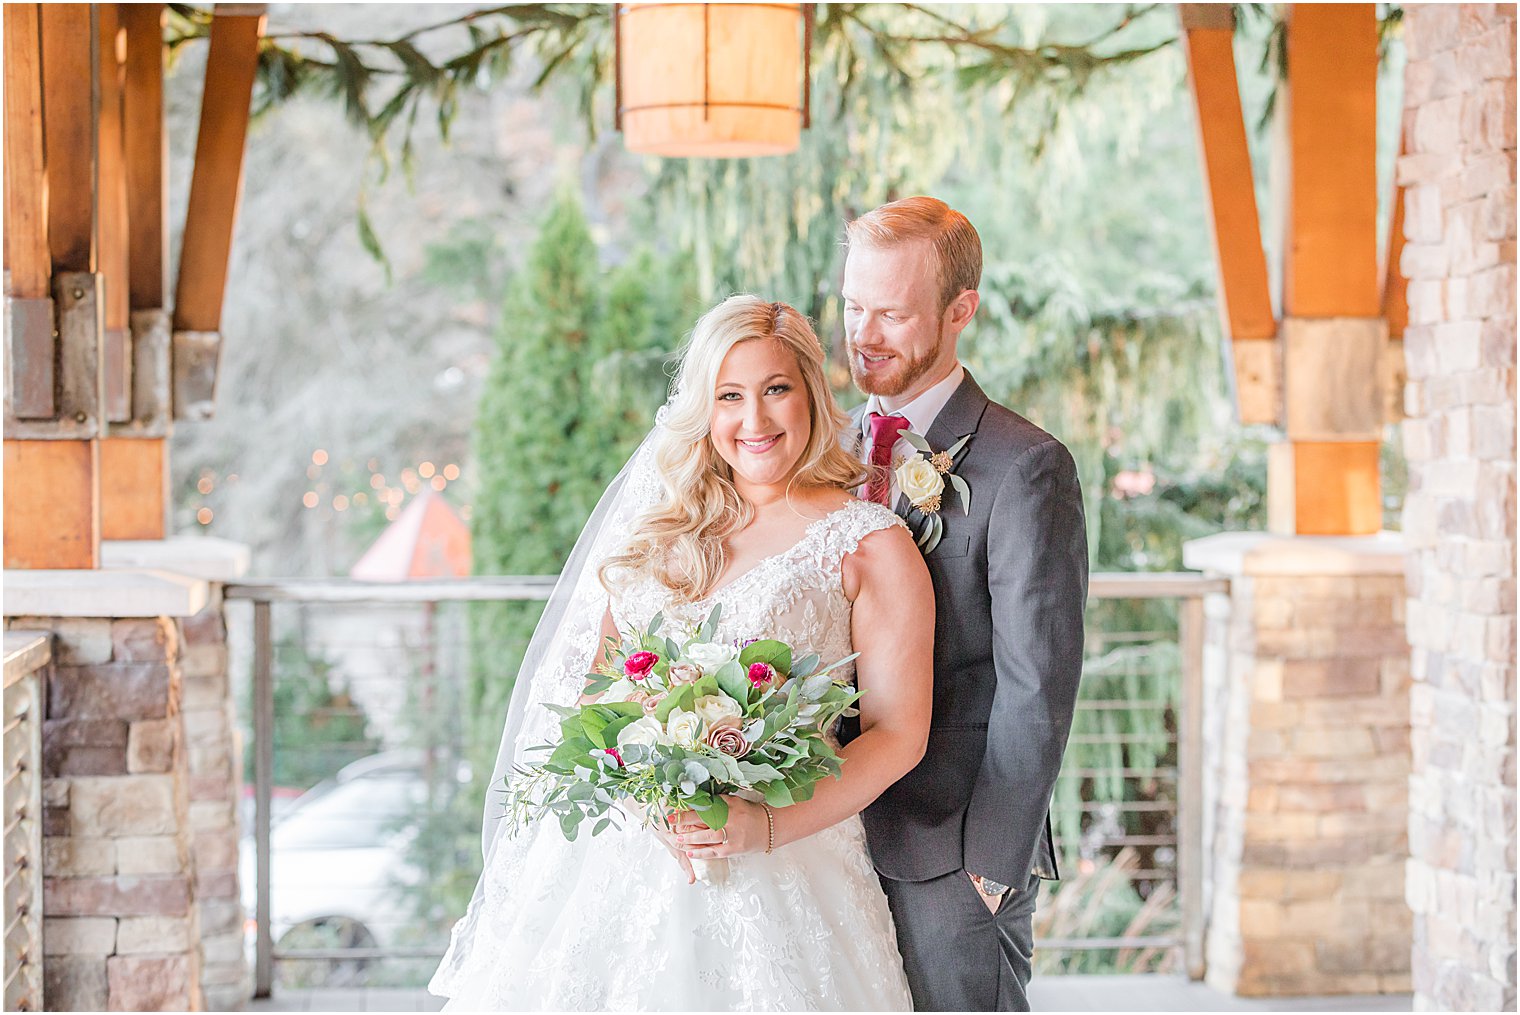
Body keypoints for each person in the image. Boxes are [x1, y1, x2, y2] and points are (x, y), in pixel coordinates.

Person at [429, 295, 935, 1010]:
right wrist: (652, 797)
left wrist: (764, 825)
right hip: (624, 864)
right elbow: (599, 691)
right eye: (730, 395)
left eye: (775, 389)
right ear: (703, 406)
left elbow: (900, 733)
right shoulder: (661, 528)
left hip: (789, 867)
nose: (753, 420)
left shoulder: (868, 542)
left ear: (813, 394)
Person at [837, 196, 1089, 1012]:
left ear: (960, 311)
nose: (864, 334)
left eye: (892, 313)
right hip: (825, 834)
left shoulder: (1027, 468)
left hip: (953, 849)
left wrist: (990, 867)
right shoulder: (823, 448)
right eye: (852, 306)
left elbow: (1037, 686)